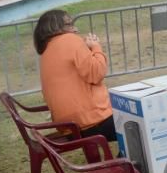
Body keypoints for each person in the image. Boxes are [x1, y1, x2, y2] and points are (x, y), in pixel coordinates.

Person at [34, 9, 116, 142]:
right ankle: (125, 162)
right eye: (69, 24)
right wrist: (95, 47)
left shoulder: (46, 52)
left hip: (68, 126)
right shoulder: (70, 40)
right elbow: (97, 73)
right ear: (56, 27)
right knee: (138, 124)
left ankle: (122, 160)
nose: (75, 29)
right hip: (92, 121)